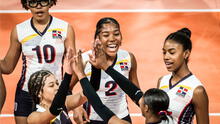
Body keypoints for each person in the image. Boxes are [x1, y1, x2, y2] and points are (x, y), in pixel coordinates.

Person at [0, 0, 75, 123]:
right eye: (33, 2)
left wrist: (68, 94)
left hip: (55, 93)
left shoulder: (65, 28)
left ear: (51, 2)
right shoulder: (19, 30)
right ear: (27, 4)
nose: (39, 6)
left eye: (43, 1)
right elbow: (7, 67)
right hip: (26, 93)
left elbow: (73, 66)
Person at [71, 49, 174, 124]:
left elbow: (100, 107)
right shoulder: (170, 120)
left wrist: (81, 74)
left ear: (146, 108)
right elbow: (134, 92)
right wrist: (107, 67)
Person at [73, 17, 140, 124]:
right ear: (97, 38)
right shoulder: (85, 59)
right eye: (105, 35)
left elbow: (135, 92)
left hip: (121, 118)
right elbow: (67, 89)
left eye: (116, 34)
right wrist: (75, 108)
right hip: (93, 118)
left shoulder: (128, 57)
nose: (112, 38)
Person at [157, 28, 209, 124]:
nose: (166, 57)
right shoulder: (162, 81)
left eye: (172, 52)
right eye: (164, 52)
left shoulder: (197, 90)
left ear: (186, 54)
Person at [27, 48, 87, 124]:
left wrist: (94, 67)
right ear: (38, 93)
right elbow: (55, 109)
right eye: (51, 85)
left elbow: (88, 93)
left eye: (57, 84)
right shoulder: (33, 118)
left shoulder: (65, 102)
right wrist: (68, 73)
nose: (57, 88)